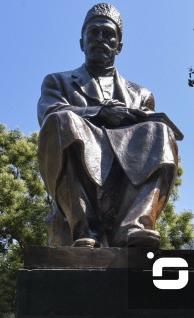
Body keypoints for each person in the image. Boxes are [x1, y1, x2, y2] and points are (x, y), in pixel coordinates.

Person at [37, 3, 181, 248]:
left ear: (119, 46)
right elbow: (49, 112)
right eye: (93, 32)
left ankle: (134, 226)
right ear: (81, 42)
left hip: (125, 168)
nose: (100, 38)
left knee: (160, 131)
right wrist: (102, 112)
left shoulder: (141, 94)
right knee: (61, 121)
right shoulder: (58, 81)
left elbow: (148, 132)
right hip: (79, 156)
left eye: (108, 33)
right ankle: (85, 230)